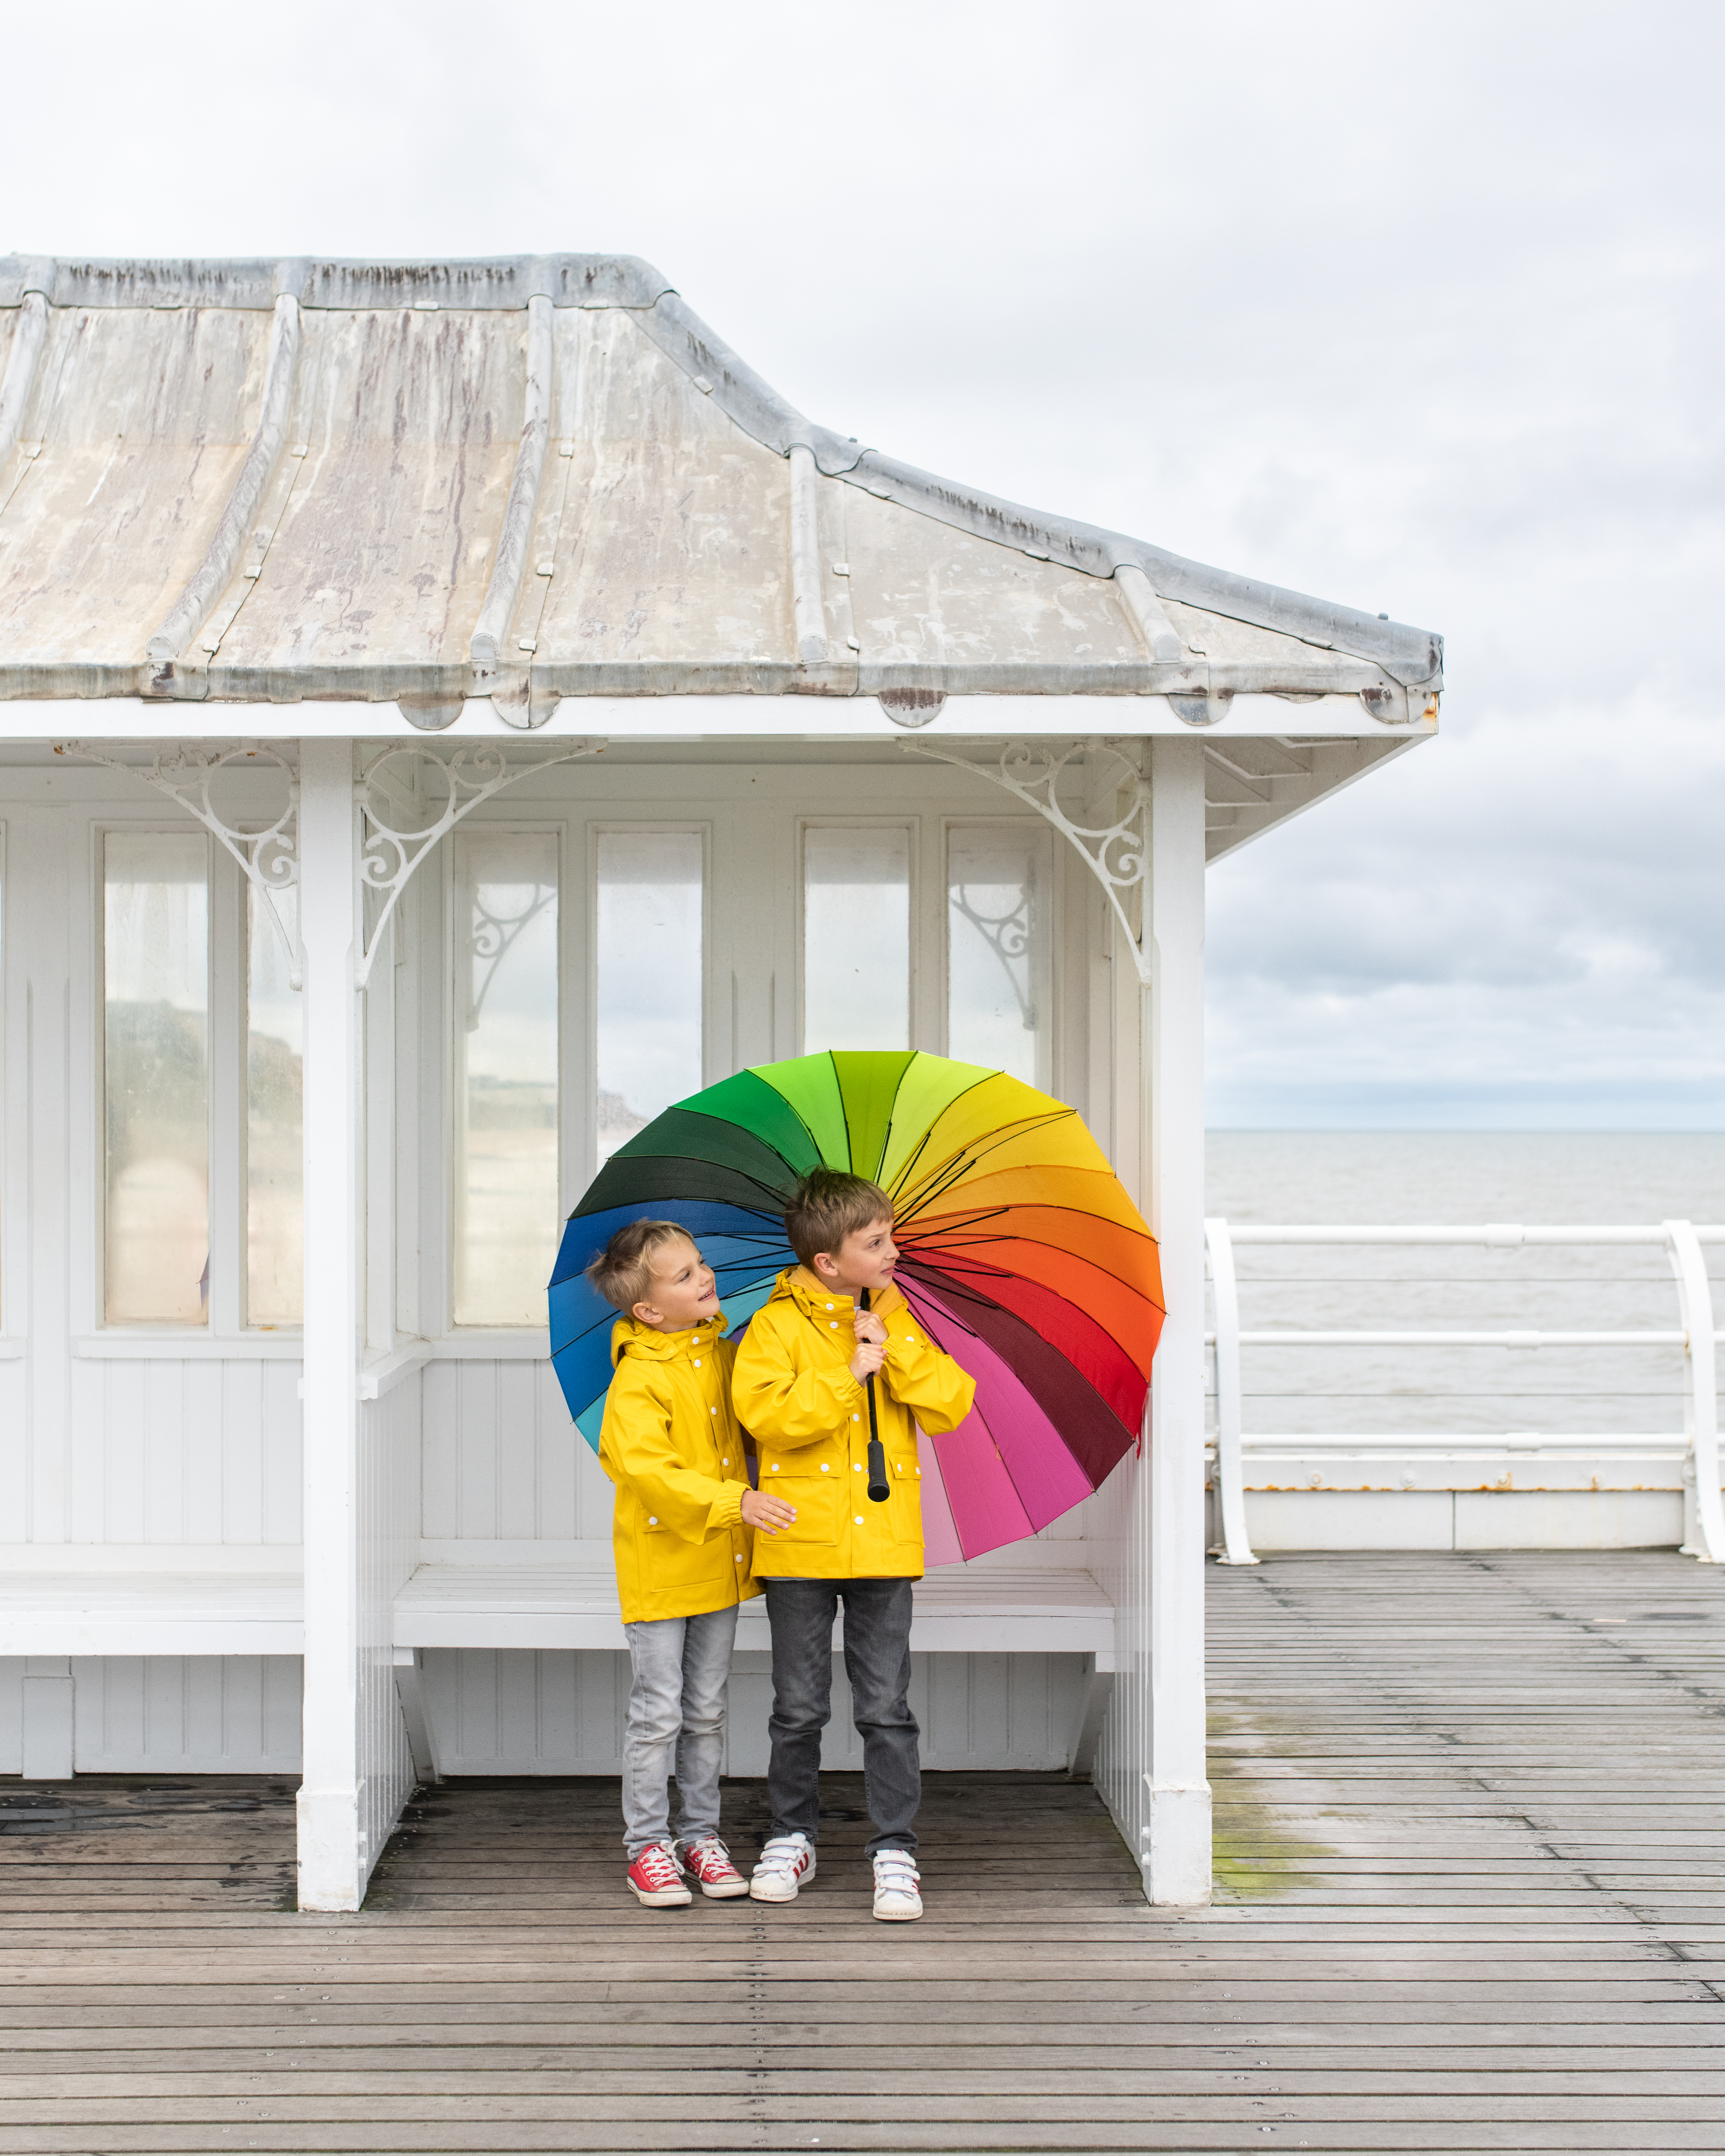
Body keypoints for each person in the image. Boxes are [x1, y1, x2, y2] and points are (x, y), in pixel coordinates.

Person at [730, 1167, 977, 1921]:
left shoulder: (894, 1316)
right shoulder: (774, 1326)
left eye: (890, 1236)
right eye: (876, 1242)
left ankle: (894, 1847)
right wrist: (846, 1374)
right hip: (798, 1544)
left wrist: (891, 1352)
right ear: (827, 1262)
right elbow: (767, 1417)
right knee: (798, 1706)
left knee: (885, 1706)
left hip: (883, 1548)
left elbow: (950, 1405)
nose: (893, 1251)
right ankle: (791, 1834)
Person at [588, 1218, 796, 1909]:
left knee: (706, 1710)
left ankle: (699, 1836)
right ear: (647, 1310)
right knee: (659, 1713)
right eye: (684, 1276)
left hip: (718, 1565)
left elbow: (759, 1421)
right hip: (660, 1570)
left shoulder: (722, 1354)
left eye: (699, 1263)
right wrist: (738, 1502)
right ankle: (646, 1846)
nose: (704, 1277)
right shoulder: (637, 1381)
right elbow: (652, 1473)